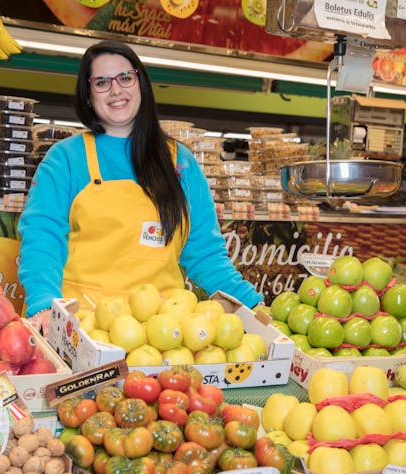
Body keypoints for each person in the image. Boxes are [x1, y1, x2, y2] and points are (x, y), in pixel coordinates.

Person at [18, 40, 263, 327]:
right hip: (82, 327)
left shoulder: (179, 162)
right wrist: (43, 306)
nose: (116, 90)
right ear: (88, 96)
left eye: (125, 77)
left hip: (162, 333)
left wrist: (253, 304)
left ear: (141, 84)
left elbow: (205, 253)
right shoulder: (65, 159)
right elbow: (41, 237)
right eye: (101, 82)